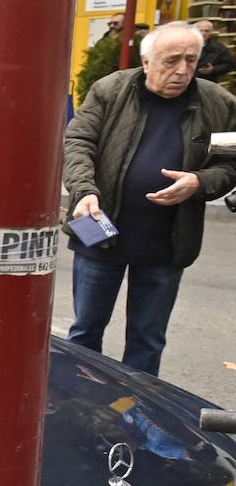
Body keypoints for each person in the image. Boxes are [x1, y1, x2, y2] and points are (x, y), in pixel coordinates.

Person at [63, 21, 236, 376]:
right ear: (146, 61)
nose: (183, 70)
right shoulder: (110, 90)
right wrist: (83, 191)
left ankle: (136, 411)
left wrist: (199, 182)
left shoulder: (218, 103)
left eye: (191, 59)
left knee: (147, 339)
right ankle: (79, 405)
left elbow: (230, 162)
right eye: (171, 60)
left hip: (167, 243)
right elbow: (78, 142)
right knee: (85, 332)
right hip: (99, 233)